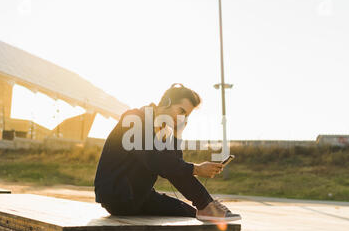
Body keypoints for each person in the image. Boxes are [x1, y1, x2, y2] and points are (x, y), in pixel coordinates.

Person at [94, 83, 241, 222]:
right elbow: (154, 160)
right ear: (167, 102)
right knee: (199, 209)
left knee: (192, 213)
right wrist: (197, 169)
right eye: (181, 111)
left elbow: (175, 166)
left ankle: (206, 206)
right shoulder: (135, 118)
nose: (182, 118)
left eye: (186, 116)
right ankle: (206, 205)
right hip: (118, 196)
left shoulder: (161, 130)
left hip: (140, 195)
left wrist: (177, 135)